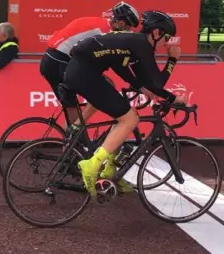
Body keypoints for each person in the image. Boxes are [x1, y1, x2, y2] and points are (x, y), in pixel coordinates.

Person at [63, 11, 184, 197]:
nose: (165, 44)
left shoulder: (135, 43)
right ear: (157, 32)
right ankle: (92, 165)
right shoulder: (141, 44)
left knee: (122, 117)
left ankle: (109, 172)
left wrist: (166, 96)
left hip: (79, 70)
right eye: (166, 38)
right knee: (130, 119)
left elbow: (147, 81)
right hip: (84, 73)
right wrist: (172, 59)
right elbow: (157, 82)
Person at [40, 1, 140, 125]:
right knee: (106, 85)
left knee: (71, 106)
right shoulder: (105, 33)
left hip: (53, 59)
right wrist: (135, 82)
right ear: (120, 23)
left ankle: (73, 137)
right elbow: (117, 64)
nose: (130, 31)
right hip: (59, 60)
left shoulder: (102, 25)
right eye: (129, 27)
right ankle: (79, 127)